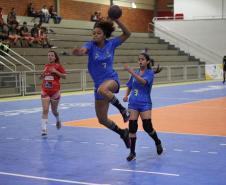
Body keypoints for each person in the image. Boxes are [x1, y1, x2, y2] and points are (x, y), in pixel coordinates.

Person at [72, 19, 131, 148]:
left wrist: (117, 20)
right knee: (102, 119)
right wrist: (79, 52)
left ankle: (123, 110)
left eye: (98, 33)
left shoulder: (111, 44)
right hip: (99, 86)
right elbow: (83, 50)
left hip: (111, 80)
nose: (95, 35)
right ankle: (122, 133)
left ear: (104, 35)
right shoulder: (90, 45)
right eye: (93, 33)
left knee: (102, 90)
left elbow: (127, 33)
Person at [123, 52, 163, 161]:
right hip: (133, 103)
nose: (140, 61)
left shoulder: (150, 73)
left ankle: (157, 141)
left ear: (147, 61)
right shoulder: (135, 73)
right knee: (132, 127)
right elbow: (130, 85)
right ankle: (132, 153)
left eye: (142, 59)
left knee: (147, 126)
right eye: (139, 59)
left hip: (145, 103)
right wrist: (126, 95)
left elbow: (143, 82)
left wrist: (131, 72)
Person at [40, 50, 66, 136]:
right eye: (49, 55)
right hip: (45, 91)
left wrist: (56, 72)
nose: (50, 57)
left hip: (55, 92)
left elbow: (64, 76)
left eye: (52, 55)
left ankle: (58, 120)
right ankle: (44, 129)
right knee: (45, 110)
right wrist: (42, 76)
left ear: (55, 57)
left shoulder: (58, 66)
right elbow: (42, 77)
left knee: (54, 111)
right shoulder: (46, 66)